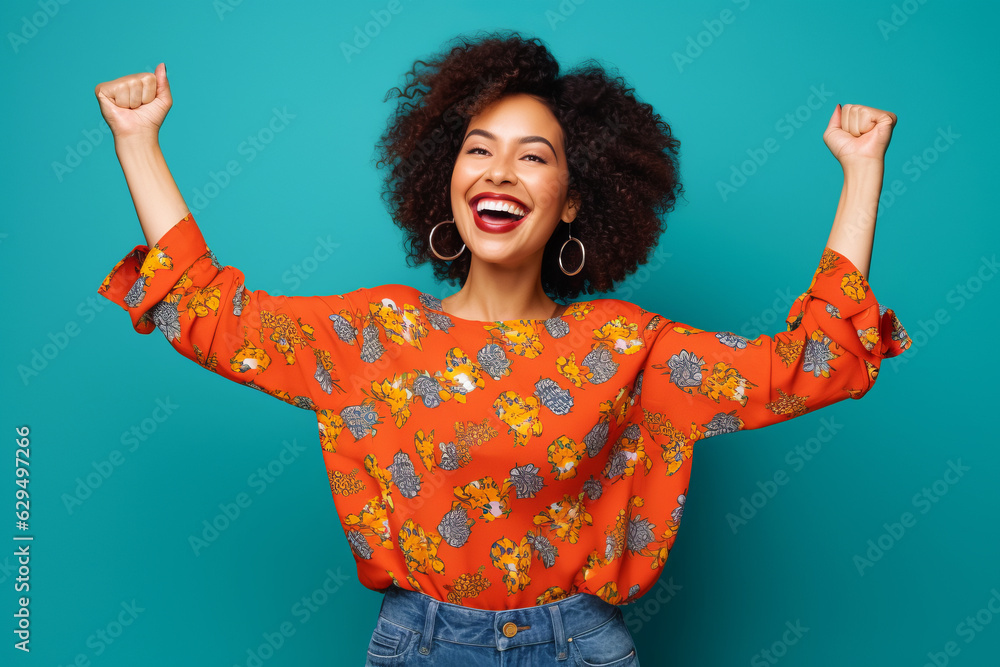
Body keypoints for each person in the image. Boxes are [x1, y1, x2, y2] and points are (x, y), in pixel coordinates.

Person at [94, 31, 908, 667]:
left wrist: (862, 172)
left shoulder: (626, 347)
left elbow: (813, 363)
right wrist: (138, 143)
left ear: (573, 199)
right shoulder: (376, 334)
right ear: (445, 178)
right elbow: (207, 314)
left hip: (580, 645)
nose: (501, 171)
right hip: (421, 642)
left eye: (535, 156)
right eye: (479, 148)